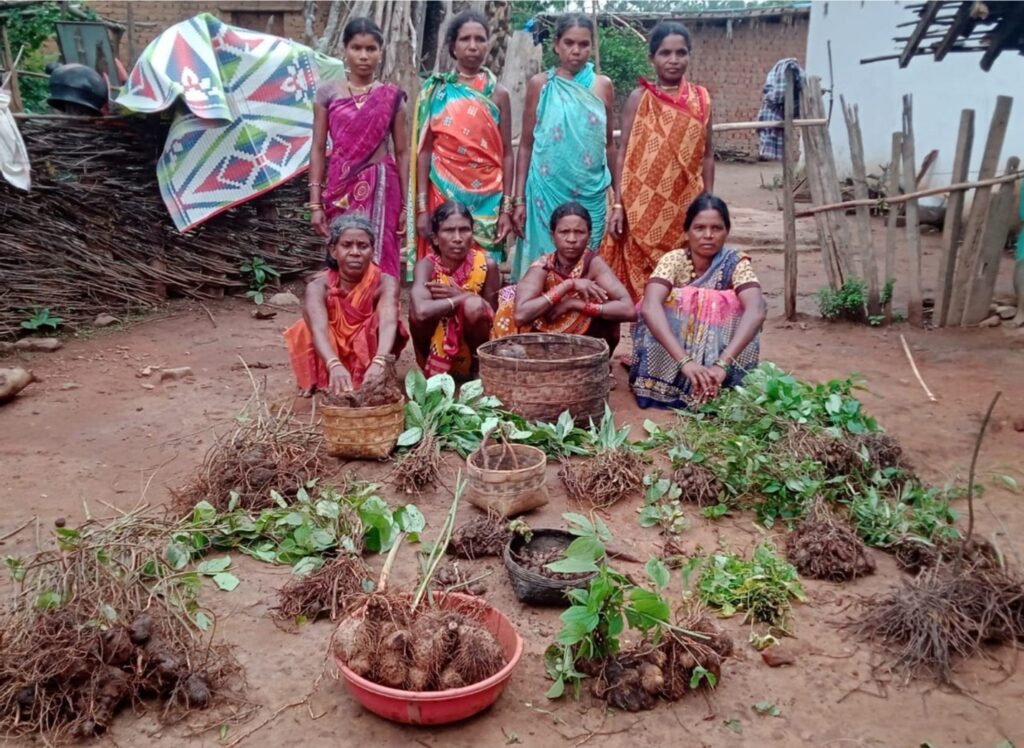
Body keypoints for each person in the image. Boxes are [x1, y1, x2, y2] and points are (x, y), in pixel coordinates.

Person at [601, 22, 713, 303]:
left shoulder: (702, 100)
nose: (673, 60)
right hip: (642, 208)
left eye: (680, 53)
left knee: (683, 276)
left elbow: (708, 155)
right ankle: (645, 343)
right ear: (652, 58)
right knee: (643, 283)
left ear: (689, 55)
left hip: (685, 205)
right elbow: (624, 151)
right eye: (665, 53)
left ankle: (677, 341)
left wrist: (708, 203)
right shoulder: (640, 99)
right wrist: (618, 204)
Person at [629, 194, 767, 409]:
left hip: (722, 364)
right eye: (700, 228)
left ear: (727, 231)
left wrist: (722, 364)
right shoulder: (674, 260)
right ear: (687, 231)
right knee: (668, 302)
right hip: (675, 360)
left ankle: (719, 382)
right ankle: (667, 385)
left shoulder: (735, 263)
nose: (708, 235)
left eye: (717, 228)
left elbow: (757, 310)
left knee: (743, 306)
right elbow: (649, 306)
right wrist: (686, 362)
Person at [408, 9, 515, 275]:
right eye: (465, 39)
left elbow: (508, 154)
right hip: (443, 192)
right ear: (453, 46)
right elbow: (424, 152)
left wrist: (507, 208)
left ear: (488, 44)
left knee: (484, 272)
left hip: (489, 198)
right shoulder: (436, 90)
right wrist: (422, 208)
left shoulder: (498, 94)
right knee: (442, 271)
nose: (473, 45)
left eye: (480, 39)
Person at [511, 14, 616, 281]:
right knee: (542, 268)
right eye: (569, 43)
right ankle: (537, 318)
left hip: (590, 194)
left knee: (585, 267)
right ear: (556, 44)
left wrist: (620, 201)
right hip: (545, 192)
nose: (576, 51)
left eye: (583, 44)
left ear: (591, 46)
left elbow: (610, 146)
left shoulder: (602, 86)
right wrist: (518, 199)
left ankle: (579, 322)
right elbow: (525, 146)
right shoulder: (541, 85)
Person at [308, 17, 410, 278]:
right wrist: (315, 203)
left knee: (381, 250)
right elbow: (318, 149)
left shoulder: (392, 96)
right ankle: (345, 315)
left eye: (371, 49)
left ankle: (381, 313)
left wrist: (405, 207)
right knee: (344, 251)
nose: (363, 56)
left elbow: (402, 152)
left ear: (380, 52)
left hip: (382, 187)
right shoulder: (327, 94)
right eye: (356, 48)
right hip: (340, 188)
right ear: (345, 50)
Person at [284, 214, 406, 397]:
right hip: (331, 355)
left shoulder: (385, 283)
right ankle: (319, 377)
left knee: (380, 324)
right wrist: (333, 364)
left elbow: (389, 321)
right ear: (334, 251)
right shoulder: (318, 286)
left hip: (371, 352)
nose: (355, 252)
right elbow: (319, 329)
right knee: (305, 326)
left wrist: (380, 361)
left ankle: (374, 375)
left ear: (372, 251)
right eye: (347, 245)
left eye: (363, 246)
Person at [493, 201, 635, 357]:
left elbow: (628, 309)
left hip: (585, 346)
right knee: (511, 295)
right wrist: (568, 285)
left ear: (589, 236)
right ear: (553, 236)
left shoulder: (594, 264)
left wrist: (575, 304)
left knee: (601, 300)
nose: (572, 239)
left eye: (579, 232)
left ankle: (593, 365)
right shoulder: (543, 265)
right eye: (564, 232)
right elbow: (521, 315)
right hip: (540, 344)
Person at [410, 201, 500, 377]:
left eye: (464, 230)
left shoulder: (487, 265)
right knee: (416, 315)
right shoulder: (426, 267)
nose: (458, 238)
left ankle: (478, 368)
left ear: (472, 234)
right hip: (434, 350)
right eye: (449, 230)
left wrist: (465, 298)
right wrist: (460, 298)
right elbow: (421, 312)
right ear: (435, 237)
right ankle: (434, 369)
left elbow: (493, 318)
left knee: (474, 306)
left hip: (475, 349)